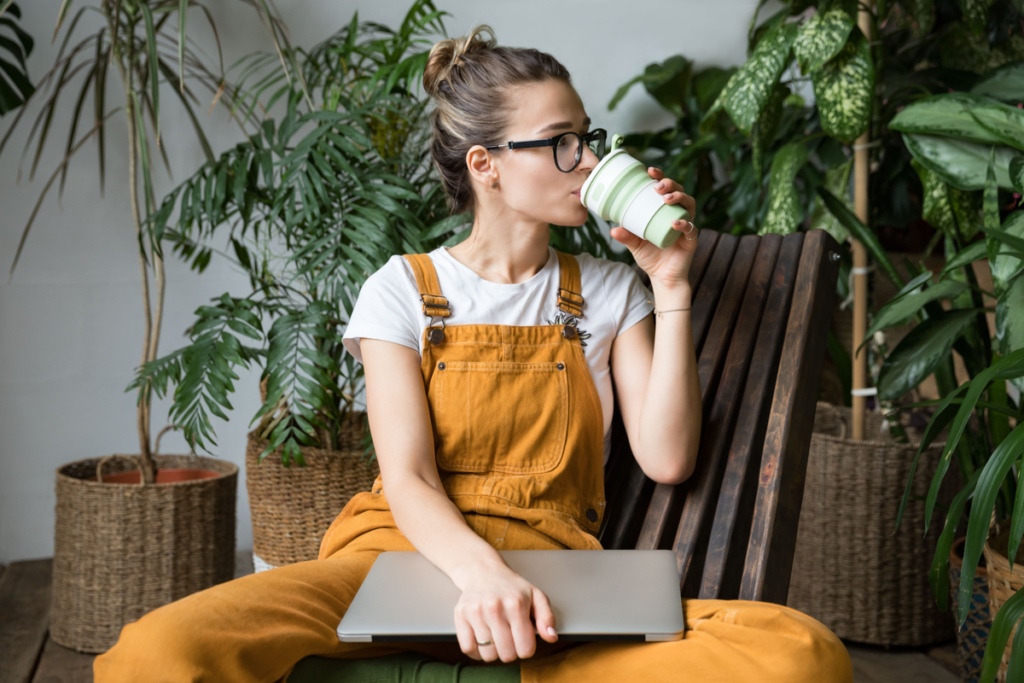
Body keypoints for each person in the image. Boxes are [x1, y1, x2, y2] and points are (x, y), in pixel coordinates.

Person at [94, 25, 854, 683]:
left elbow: (667, 459)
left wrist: (672, 284)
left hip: (553, 588)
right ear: (486, 165)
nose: (586, 161)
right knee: (155, 651)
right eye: (560, 143)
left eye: (587, 137)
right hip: (391, 559)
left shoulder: (612, 291)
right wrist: (480, 576)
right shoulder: (401, 288)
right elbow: (409, 477)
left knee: (798, 653)